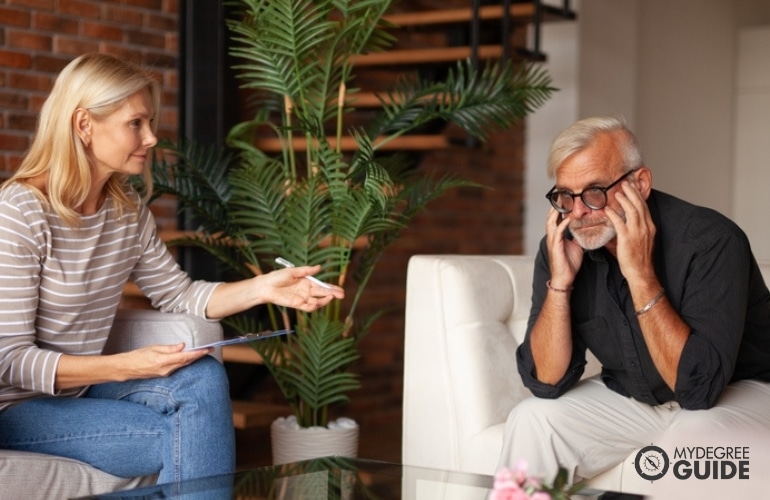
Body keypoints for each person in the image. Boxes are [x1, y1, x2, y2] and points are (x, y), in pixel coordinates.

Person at [0, 53, 344, 485]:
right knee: (187, 435)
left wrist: (266, 288)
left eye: (149, 123)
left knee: (201, 377)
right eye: (135, 124)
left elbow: (179, 296)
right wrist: (127, 366)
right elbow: (9, 360)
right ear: (84, 124)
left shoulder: (127, 214)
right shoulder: (20, 211)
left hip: (82, 390)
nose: (151, 138)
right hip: (14, 408)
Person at [497, 116, 770, 492]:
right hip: (637, 396)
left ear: (639, 184)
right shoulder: (565, 244)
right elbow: (545, 381)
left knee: (695, 434)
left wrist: (640, 274)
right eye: (564, 196)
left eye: (594, 192)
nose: (577, 212)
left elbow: (699, 390)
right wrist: (560, 284)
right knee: (533, 419)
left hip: (743, 391)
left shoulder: (711, 241)